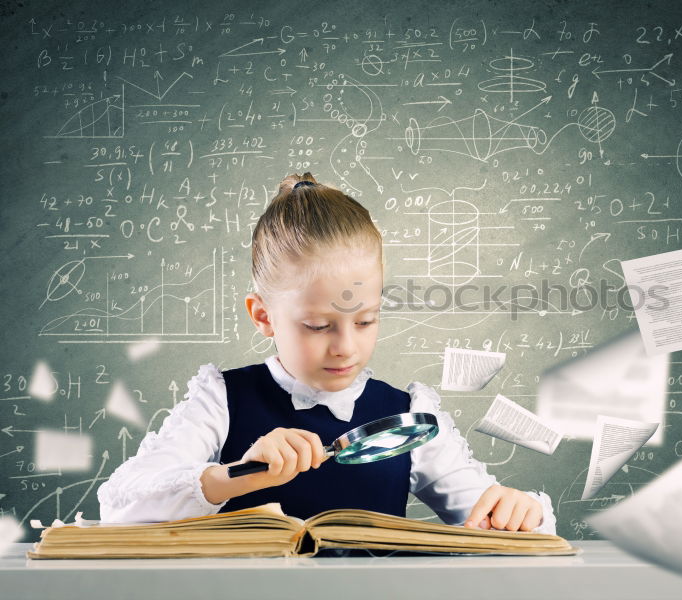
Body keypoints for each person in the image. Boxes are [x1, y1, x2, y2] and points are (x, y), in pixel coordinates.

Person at [97, 173, 555, 534]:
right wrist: (236, 474)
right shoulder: (220, 399)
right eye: (318, 326)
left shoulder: (406, 414)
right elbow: (121, 505)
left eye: (366, 320)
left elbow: (494, 518)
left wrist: (520, 512)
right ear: (263, 316)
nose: (346, 347)